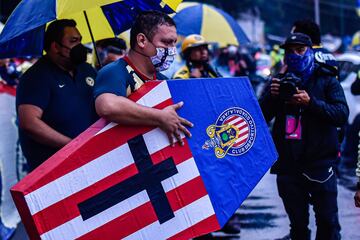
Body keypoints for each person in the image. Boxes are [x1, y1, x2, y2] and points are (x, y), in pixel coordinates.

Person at [260, 33, 348, 240]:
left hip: (320, 163)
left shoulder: (326, 80)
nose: (294, 55)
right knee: (298, 226)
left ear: (310, 52)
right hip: (289, 165)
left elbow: (341, 114)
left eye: (300, 50)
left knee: (328, 224)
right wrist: (272, 96)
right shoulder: (278, 81)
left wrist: (311, 103)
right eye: (289, 51)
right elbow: (260, 116)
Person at [94, 10, 192, 146]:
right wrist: (159, 117)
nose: (172, 50)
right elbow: (107, 106)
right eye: (166, 42)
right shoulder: (115, 71)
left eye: (174, 43)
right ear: (141, 40)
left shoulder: (163, 79)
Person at [16, 19, 98, 171]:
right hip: (57, 170)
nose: (79, 45)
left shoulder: (87, 70)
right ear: (55, 47)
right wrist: (72, 145)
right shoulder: (36, 77)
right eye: (73, 41)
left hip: (92, 160)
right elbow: (29, 123)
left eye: (80, 40)